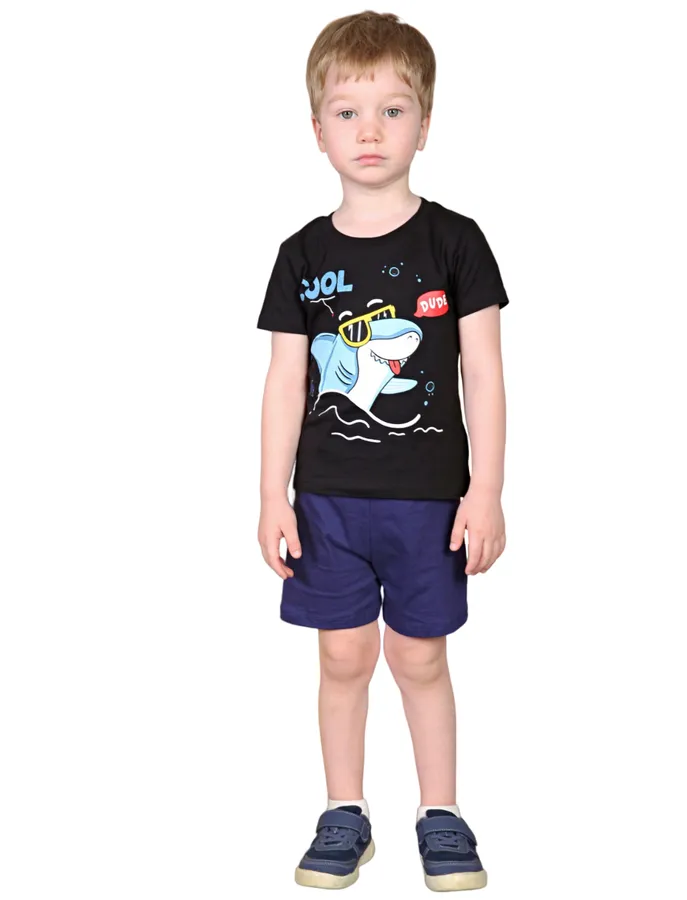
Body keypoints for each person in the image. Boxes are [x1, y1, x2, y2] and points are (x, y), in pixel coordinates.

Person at [256, 10, 509, 892]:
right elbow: (285, 382)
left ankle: (441, 813)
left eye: (392, 110)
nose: (370, 131)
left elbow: (484, 373)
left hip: (430, 501)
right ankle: (344, 812)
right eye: (348, 112)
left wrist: (487, 490)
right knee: (341, 657)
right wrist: (271, 495)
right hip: (327, 500)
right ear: (317, 129)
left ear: (424, 125)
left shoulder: (456, 242)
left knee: (420, 656)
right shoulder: (300, 255)